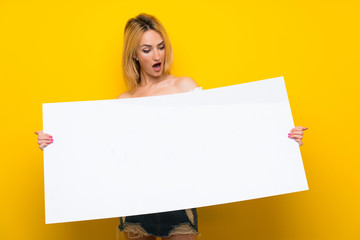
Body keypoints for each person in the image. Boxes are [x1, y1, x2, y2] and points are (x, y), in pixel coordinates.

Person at [35, 13, 308, 240]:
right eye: (147, 49)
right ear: (134, 56)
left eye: (161, 46)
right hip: (135, 201)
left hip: (180, 199)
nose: (157, 55)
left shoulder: (184, 87)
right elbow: (103, 151)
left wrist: (280, 137)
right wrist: (57, 142)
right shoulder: (124, 101)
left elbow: (222, 132)